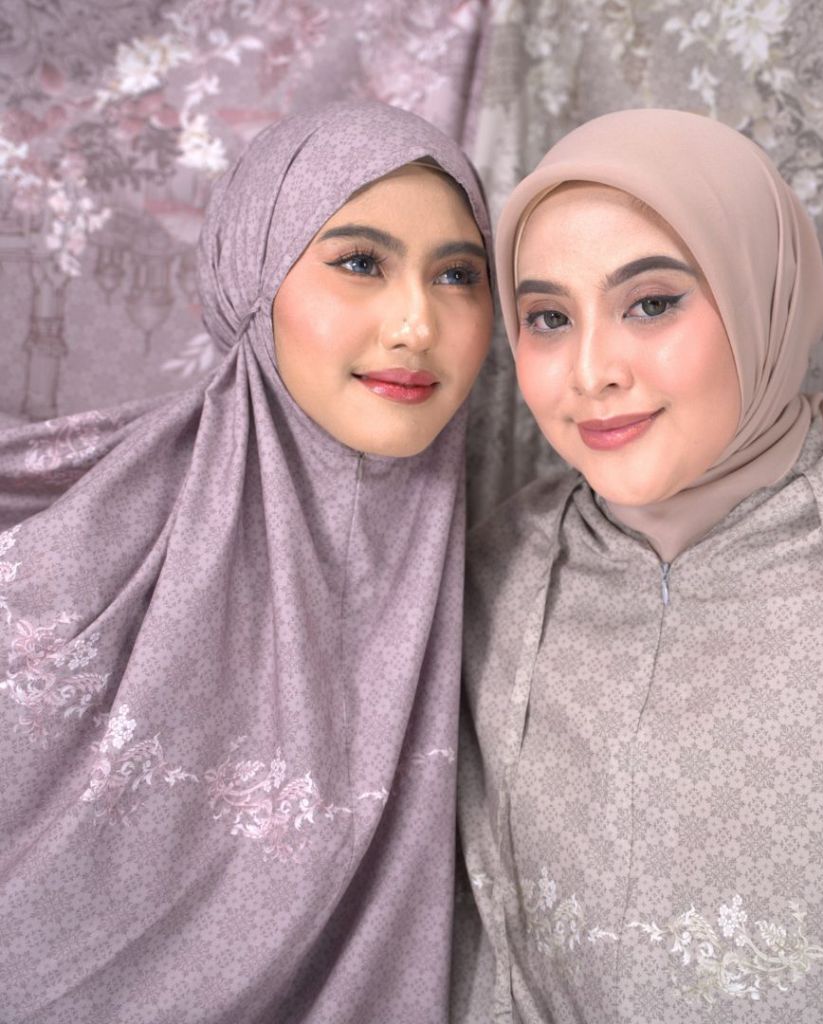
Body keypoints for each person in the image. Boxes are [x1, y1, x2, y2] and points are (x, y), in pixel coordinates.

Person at [453, 109, 823, 1023]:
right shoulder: (493, 581)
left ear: (765, 300)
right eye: (549, 318)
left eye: (651, 303)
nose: (592, 371)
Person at [0, 100, 492, 1023]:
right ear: (252, 280)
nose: (417, 324)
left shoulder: (511, 583)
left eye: (458, 275)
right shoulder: (76, 568)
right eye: (361, 263)